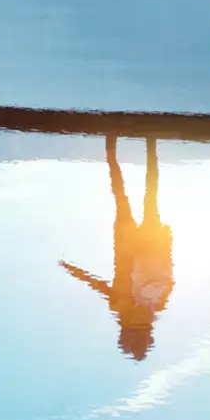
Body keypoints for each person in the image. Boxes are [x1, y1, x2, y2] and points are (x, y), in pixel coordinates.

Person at [60, 137, 174, 361]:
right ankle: (114, 146)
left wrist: (165, 241)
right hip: (131, 243)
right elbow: (96, 285)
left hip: (144, 244)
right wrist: (72, 269)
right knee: (127, 196)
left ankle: (146, 144)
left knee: (147, 196)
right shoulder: (128, 306)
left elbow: (169, 275)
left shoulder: (154, 306)